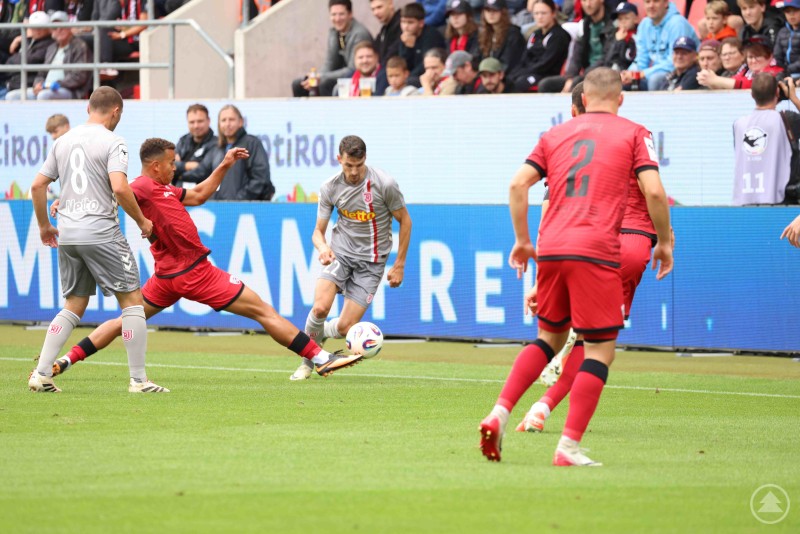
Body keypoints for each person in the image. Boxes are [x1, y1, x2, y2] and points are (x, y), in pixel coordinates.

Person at [478, 67, 673, 466]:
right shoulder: (635, 133)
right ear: (620, 98)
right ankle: (567, 447)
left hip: (553, 247)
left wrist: (522, 241)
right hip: (600, 248)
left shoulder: (554, 136)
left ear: (582, 101)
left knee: (548, 338)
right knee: (599, 349)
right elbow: (653, 190)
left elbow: (517, 185)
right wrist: (665, 242)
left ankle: (499, 412)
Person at [49, 139, 365, 382]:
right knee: (263, 311)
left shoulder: (164, 189)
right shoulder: (142, 186)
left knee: (124, 321)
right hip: (195, 273)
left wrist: (226, 163)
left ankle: (66, 360)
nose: (177, 167)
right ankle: (321, 358)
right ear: (156, 165)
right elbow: (114, 190)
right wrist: (67, 199)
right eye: (172, 163)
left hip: (167, 278)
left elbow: (199, 194)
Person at [27, 87, 159, 394]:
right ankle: (139, 381)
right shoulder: (114, 142)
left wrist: (45, 227)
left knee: (74, 304)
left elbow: (37, 186)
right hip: (101, 231)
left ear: (88, 108)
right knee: (132, 302)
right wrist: (142, 221)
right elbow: (121, 188)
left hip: (69, 234)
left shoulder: (63, 141)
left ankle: (42, 373)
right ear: (115, 112)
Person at [290, 135, 412, 381]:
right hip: (341, 254)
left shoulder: (384, 184)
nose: (354, 171)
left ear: (365, 159)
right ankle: (307, 362)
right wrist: (323, 248)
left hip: (372, 263)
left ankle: (319, 333)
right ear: (339, 159)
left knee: (346, 328)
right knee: (320, 307)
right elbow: (317, 233)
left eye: (358, 165)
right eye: (348, 165)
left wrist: (399, 264)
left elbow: (405, 220)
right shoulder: (330, 187)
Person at [733, 73, 800, 205]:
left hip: (746, 200)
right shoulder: (787, 119)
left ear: (752, 95)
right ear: (777, 91)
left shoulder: (739, 124)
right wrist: (793, 97)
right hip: (780, 199)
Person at [191, 105, 274, 201]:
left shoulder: (252, 143)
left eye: (231, 119)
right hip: (220, 207)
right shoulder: (216, 148)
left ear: (241, 122)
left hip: (245, 209)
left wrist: (238, 200)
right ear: (219, 124)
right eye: (223, 120)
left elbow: (260, 178)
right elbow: (201, 172)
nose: (227, 124)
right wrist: (178, 168)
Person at [291, 0, 372, 97]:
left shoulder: (359, 34)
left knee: (324, 83)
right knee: (299, 84)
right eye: (333, 14)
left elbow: (353, 69)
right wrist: (315, 77)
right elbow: (330, 63)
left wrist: (322, 77)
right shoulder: (335, 32)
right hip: (337, 76)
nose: (337, 19)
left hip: (354, 77)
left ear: (350, 14)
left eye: (341, 14)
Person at [6, 11, 90, 100]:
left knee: (44, 95)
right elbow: (41, 73)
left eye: (62, 27)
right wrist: (38, 84)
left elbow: (79, 76)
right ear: (51, 30)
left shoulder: (79, 46)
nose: (58, 30)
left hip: (68, 89)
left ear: (69, 28)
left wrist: (56, 84)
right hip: (45, 87)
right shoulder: (52, 48)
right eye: (55, 28)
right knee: (12, 96)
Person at [537, 0, 616, 94]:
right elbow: (576, 55)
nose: (588, 4)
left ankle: (574, 108)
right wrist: (569, 77)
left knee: (577, 83)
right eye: (584, 0)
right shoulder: (584, 25)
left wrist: (583, 75)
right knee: (545, 84)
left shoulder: (613, 24)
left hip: (605, 74)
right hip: (585, 75)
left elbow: (607, 57)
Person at [620, 0, 698, 91]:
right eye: (647, 2)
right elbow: (641, 60)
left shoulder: (677, 23)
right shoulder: (644, 24)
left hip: (680, 74)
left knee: (655, 80)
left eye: (656, 1)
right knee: (621, 81)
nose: (651, 6)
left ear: (666, 3)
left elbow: (676, 62)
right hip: (651, 74)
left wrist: (643, 74)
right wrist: (628, 74)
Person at [506, 0, 571, 92]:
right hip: (530, 72)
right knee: (507, 81)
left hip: (548, 76)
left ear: (553, 13)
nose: (540, 17)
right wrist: (514, 74)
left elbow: (545, 64)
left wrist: (522, 73)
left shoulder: (559, 36)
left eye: (543, 13)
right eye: (536, 13)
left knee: (519, 83)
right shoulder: (534, 35)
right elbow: (524, 59)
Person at [0, 10, 54, 100]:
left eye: (40, 27)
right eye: (33, 27)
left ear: (48, 28)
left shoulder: (50, 44)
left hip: (22, 83)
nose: (36, 30)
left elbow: (30, 59)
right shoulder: (29, 40)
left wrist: (13, 59)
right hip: (10, 80)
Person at [697, 35, 783, 89]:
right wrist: (710, 82)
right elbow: (734, 81)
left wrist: (716, 79)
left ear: (770, 56)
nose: (753, 61)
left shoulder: (778, 72)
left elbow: (755, 85)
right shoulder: (746, 72)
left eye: (757, 56)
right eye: (750, 57)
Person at [391, 2, 446, 84]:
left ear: (421, 23)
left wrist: (406, 80)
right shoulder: (405, 36)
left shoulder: (431, 36)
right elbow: (404, 64)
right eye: (403, 22)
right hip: (412, 77)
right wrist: (408, 48)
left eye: (410, 22)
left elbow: (424, 65)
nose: (405, 26)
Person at [173, 103, 217, 188]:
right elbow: (170, 166)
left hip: (204, 196)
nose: (196, 126)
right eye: (192, 122)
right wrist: (187, 166)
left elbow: (203, 172)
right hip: (180, 195)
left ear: (208, 121)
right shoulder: (183, 141)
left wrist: (179, 173)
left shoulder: (216, 144)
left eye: (200, 121)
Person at [476, 0, 526, 73]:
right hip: (486, 76)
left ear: (503, 12)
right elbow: (478, 59)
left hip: (504, 77)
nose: (491, 14)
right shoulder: (485, 33)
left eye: (495, 10)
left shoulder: (513, 34)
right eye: (488, 10)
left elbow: (509, 64)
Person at [774, 0, 800, 78]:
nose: (791, 15)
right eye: (788, 11)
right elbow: (777, 55)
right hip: (785, 73)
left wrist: (787, 69)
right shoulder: (782, 31)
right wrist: (782, 70)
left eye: (795, 10)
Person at [371, 0, 401, 64]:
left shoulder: (401, 25)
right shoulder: (384, 30)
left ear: (390, 4)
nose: (376, 13)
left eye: (379, 7)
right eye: (373, 9)